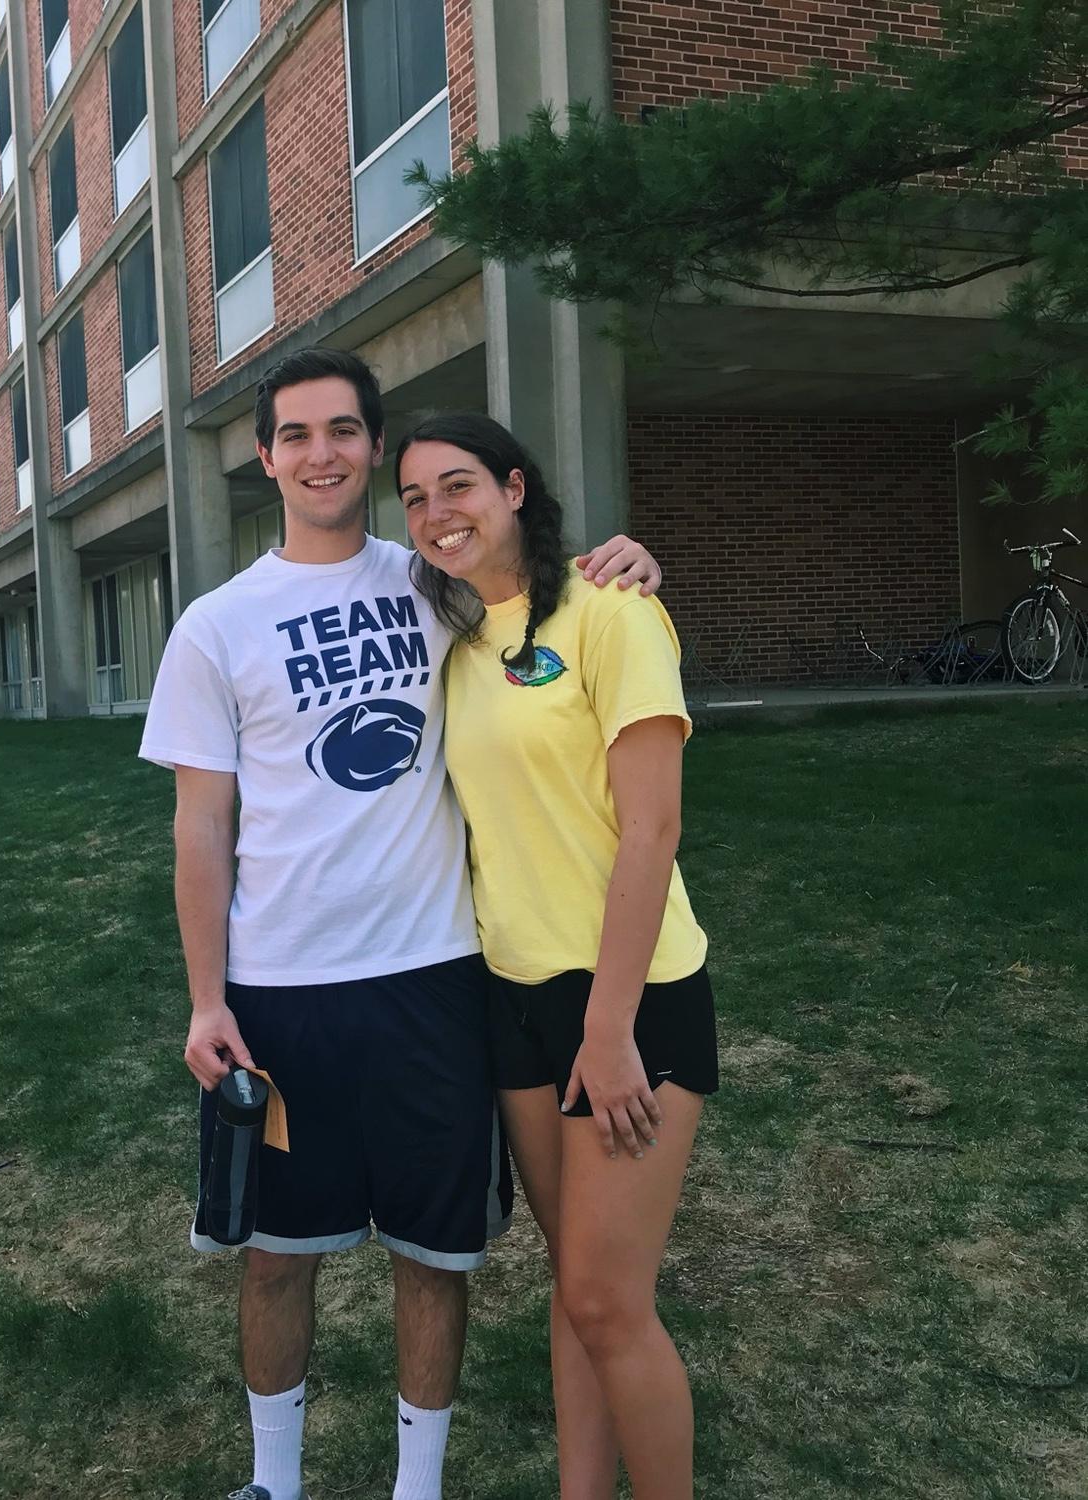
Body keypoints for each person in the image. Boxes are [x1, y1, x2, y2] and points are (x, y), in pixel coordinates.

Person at [139, 348, 663, 1500]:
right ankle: (275, 1483)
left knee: (433, 1256)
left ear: (374, 447)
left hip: (435, 979)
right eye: (295, 435)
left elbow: (555, 604)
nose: (320, 454)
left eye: (342, 430)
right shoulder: (215, 627)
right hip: (280, 991)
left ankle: (414, 1489)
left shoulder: (439, 583)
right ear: (266, 457)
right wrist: (210, 998)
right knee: (278, 1254)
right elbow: (198, 829)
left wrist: (626, 561)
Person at [396, 412, 718, 1500]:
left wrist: (612, 1026)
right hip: (514, 996)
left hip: (629, 997)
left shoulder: (612, 612)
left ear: (515, 487)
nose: (439, 514)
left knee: (608, 1303)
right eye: (418, 499)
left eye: (459, 486)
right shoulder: (461, 634)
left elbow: (655, 831)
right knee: (576, 1287)